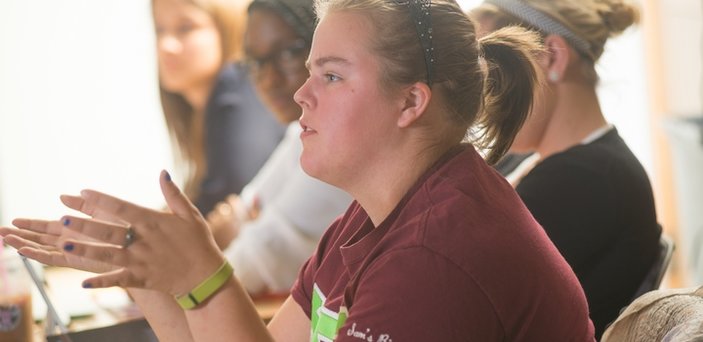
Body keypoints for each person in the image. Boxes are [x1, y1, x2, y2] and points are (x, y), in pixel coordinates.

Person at [0, 0, 595, 340]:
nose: (301, 94)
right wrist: (152, 275)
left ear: (411, 103)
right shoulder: (372, 216)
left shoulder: (434, 258)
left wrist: (204, 277)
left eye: (331, 75)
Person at [470, 0, 661, 337]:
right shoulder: (544, 162)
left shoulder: (588, 180)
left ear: (553, 58)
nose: (481, 98)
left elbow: (462, 286)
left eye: (494, 73)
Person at [206, 0, 352, 295]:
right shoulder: (298, 132)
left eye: (287, 53)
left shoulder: (342, 146)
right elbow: (245, 208)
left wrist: (239, 230)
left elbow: (247, 266)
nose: (269, 79)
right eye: (256, 62)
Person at [154, 0, 285, 215]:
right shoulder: (220, 104)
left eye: (185, 28)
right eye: (160, 29)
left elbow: (219, 203)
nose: (165, 45)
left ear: (227, 27)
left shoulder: (235, 85)